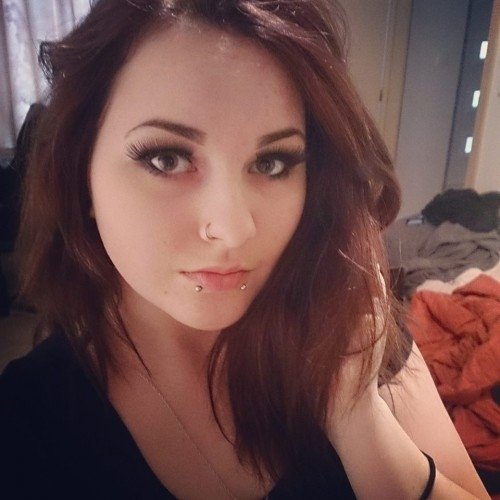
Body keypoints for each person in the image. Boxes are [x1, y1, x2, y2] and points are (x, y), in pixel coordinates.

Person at [0, 1, 489, 498]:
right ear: (80, 173)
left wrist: (361, 424)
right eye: (167, 159)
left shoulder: (350, 327)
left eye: (272, 163)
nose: (234, 230)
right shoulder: (26, 423)